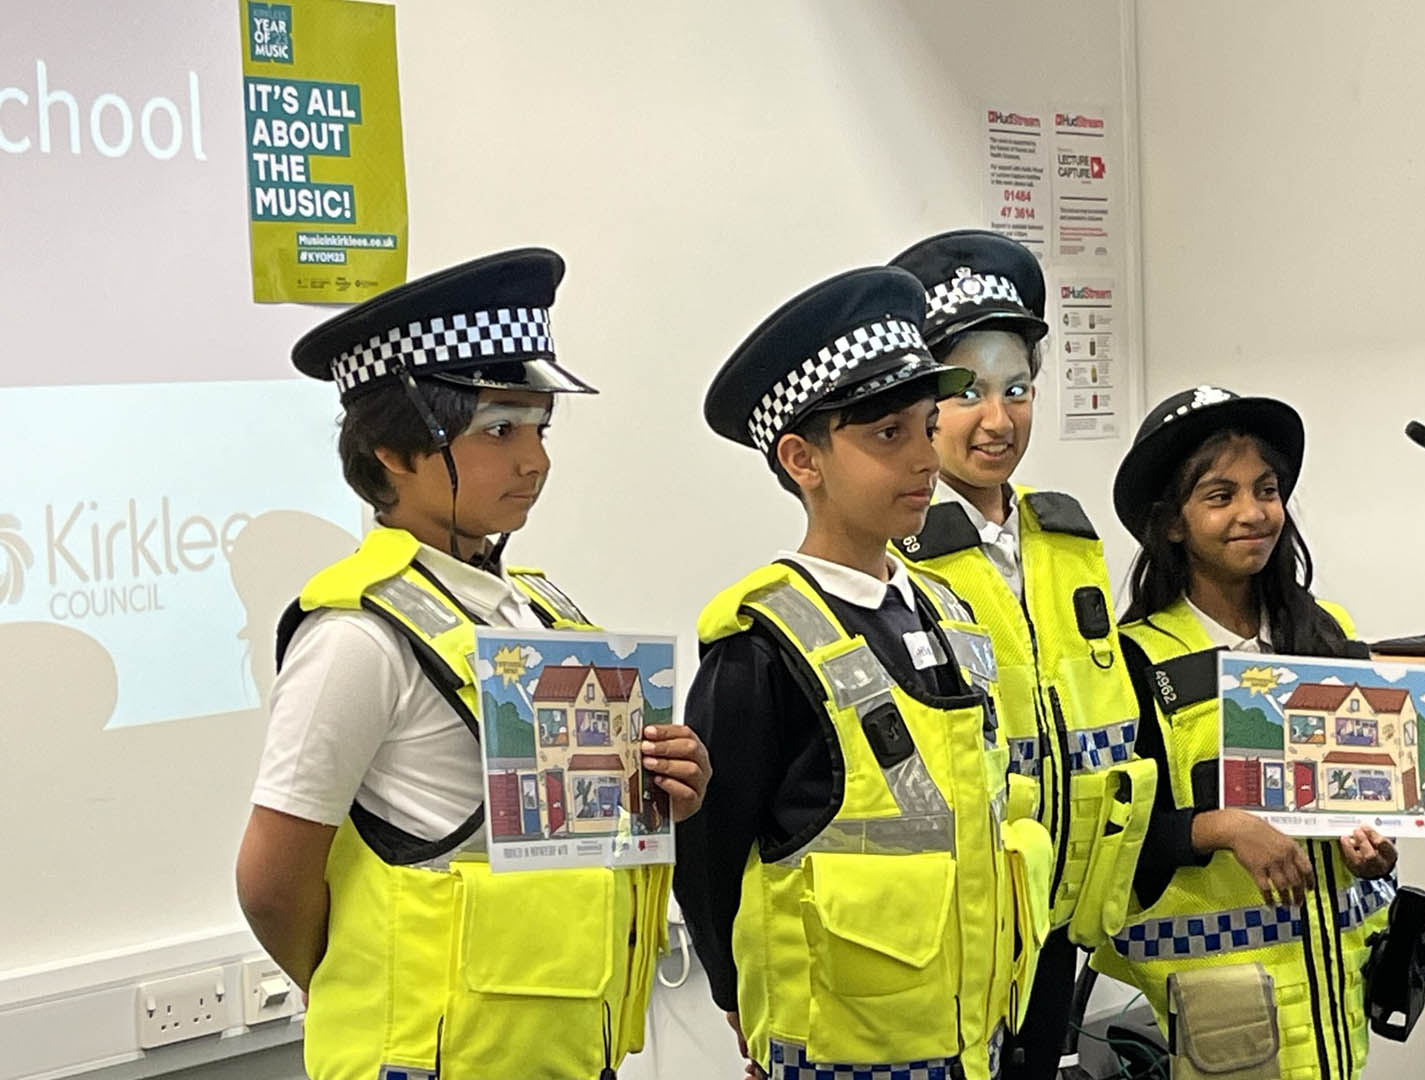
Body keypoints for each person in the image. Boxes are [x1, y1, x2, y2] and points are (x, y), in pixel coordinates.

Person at [235, 248, 711, 1080]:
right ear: (392, 447)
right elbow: (272, 879)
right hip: (427, 1058)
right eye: (498, 429)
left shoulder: (539, 612)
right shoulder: (358, 635)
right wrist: (354, 978)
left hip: (560, 1053)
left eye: (539, 428)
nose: (536, 460)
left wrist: (671, 779)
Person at [679, 265, 1055, 1080]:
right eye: (889, 436)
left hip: (973, 1045)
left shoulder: (950, 613)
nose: (925, 458)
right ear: (801, 458)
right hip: (842, 1055)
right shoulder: (762, 640)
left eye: (926, 426)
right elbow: (708, 853)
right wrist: (736, 997)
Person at [889, 229, 1155, 1079]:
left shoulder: (1066, 536)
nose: (997, 421)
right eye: (965, 392)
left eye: (1019, 389)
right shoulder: (891, 553)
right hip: (951, 925)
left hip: (1062, 912)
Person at [1090, 386, 1399, 1080]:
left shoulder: (1329, 637)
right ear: (1173, 523)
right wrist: (1223, 828)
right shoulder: (1133, 661)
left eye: (1266, 489)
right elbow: (1115, 845)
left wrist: (1375, 846)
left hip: (1336, 997)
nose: (1253, 514)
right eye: (1220, 496)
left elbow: (1375, 799)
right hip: (1217, 1012)